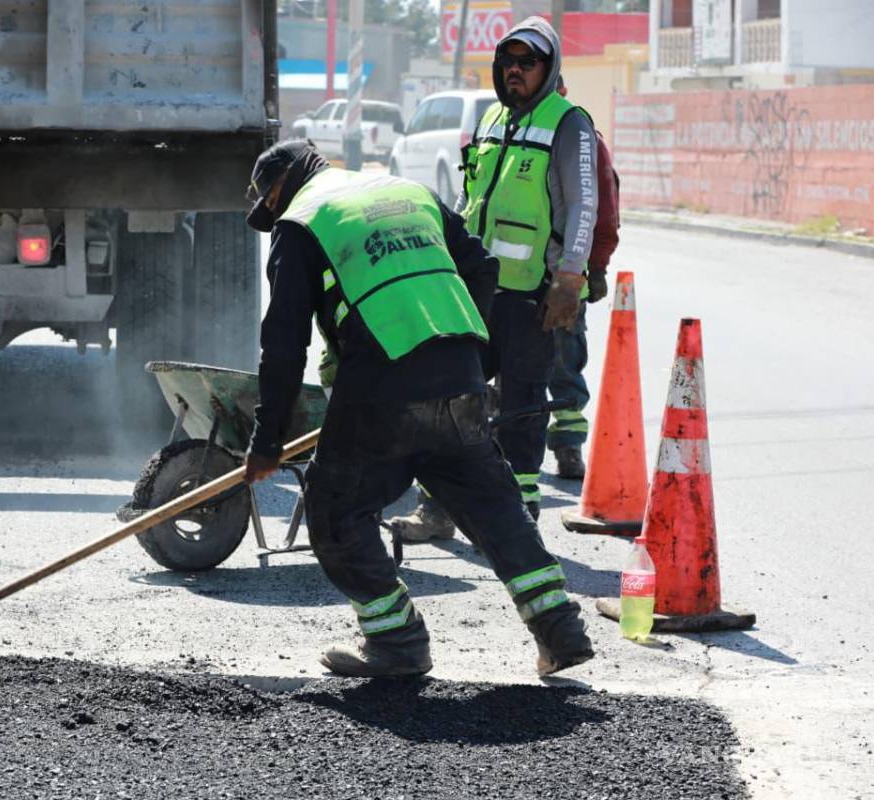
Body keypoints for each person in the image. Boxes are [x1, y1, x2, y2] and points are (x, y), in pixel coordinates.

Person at [241, 138, 594, 678]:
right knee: (494, 507)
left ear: (279, 189)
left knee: (336, 513)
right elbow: (481, 267)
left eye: (269, 207)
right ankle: (560, 630)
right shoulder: (409, 191)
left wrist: (267, 442)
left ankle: (397, 643)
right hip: (458, 375)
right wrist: (471, 354)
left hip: (381, 385)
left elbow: (283, 344)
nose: (273, 216)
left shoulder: (301, 220)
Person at [388, 17, 597, 541]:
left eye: (528, 62)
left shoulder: (568, 123)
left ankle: (517, 519)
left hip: (532, 296)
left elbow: (583, 206)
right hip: (474, 290)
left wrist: (570, 277)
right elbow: (468, 201)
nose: (515, 71)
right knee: (449, 394)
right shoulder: (490, 121)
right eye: (508, 61)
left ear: (548, 70)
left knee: (522, 406)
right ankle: (436, 509)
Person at [546, 76, 621, 480]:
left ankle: (568, 447)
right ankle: (510, 450)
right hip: (515, 275)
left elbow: (600, 207)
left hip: (562, 273)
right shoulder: (509, 130)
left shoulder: (582, 138)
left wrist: (595, 267)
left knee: (562, 361)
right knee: (524, 366)